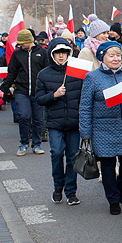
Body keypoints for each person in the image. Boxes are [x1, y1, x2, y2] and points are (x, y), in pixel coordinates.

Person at [79, 41, 122, 215]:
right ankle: (113, 199)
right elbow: (85, 106)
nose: (116, 59)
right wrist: (85, 132)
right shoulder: (92, 77)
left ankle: (120, 186)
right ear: (102, 58)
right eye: (111, 55)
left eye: (118, 55)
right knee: (107, 166)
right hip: (102, 129)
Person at [35, 39, 84, 205]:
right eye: (57, 52)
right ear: (51, 54)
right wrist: (53, 95)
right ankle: (58, 187)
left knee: (72, 157)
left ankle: (71, 192)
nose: (61, 55)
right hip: (54, 123)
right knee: (56, 153)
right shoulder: (43, 74)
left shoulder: (77, 73)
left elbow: (84, 98)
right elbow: (39, 99)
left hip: (73, 122)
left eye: (64, 52)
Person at [2, 28, 48, 156]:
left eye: (22, 43)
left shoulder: (43, 53)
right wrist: (5, 88)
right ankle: (23, 143)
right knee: (23, 116)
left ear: (29, 41)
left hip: (38, 91)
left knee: (38, 119)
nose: (20, 45)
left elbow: (47, 72)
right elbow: (11, 72)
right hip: (21, 90)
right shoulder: (17, 54)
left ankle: (37, 144)